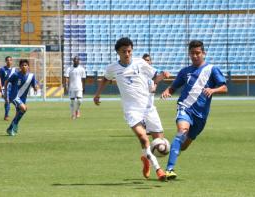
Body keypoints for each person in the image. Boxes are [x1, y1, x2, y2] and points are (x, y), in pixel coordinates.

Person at [93, 37, 170, 181]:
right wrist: (97, 94)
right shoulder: (112, 68)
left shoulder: (140, 63)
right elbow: (105, 79)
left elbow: (155, 77)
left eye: (129, 51)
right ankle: (158, 169)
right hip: (131, 110)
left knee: (159, 142)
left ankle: (146, 157)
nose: (127, 54)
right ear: (118, 52)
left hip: (148, 108)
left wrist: (163, 75)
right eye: (124, 51)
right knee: (143, 137)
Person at [161, 40, 228, 180]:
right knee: (182, 132)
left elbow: (224, 87)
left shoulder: (212, 69)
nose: (195, 56)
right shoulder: (185, 71)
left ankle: (170, 149)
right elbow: (173, 87)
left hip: (201, 115)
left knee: (183, 146)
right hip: (185, 107)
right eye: (192, 53)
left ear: (203, 53)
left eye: (198, 53)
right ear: (189, 54)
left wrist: (213, 90)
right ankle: (169, 169)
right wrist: (167, 91)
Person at [4, 59, 38, 136]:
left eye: (25, 65)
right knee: (24, 108)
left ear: (28, 66)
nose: (24, 66)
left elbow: (34, 85)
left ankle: (10, 128)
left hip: (23, 98)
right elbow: (6, 82)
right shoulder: (16, 75)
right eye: (22, 65)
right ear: (20, 67)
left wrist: (36, 87)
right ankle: (15, 125)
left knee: (18, 114)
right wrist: (6, 94)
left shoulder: (31, 76)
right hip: (14, 96)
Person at [0, 56, 16, 121]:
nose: (9, 61)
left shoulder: (14, 70)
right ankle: (6, 116)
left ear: (12, 61)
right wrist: (0, 86)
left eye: (10, 60)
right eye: (7, 60)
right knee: (7, 101)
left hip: (12, 88)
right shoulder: (2, 69)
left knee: (13, 101)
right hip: (5, 88)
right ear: (6, 61)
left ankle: (17, 114)